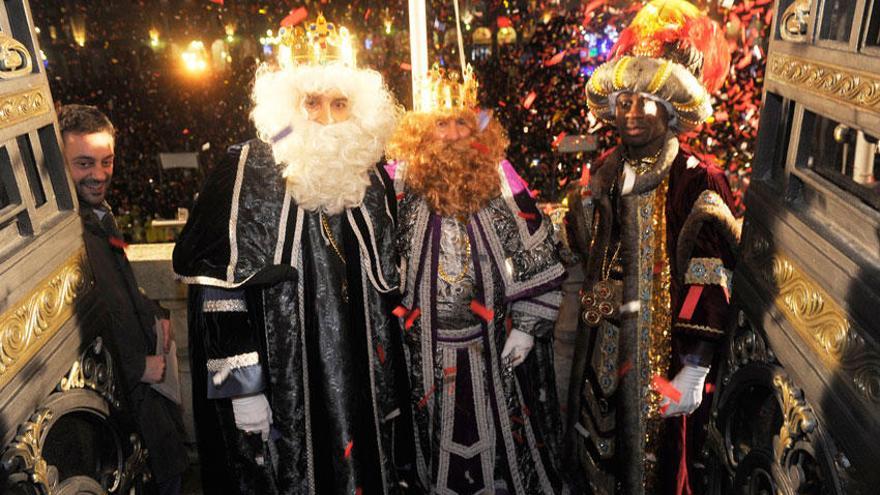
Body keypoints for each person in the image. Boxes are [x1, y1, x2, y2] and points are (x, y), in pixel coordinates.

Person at [173, 15, 407, 494]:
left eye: (339, 104)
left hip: (362, 380)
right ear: (288, 106)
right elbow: (216, 289)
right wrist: (243, 388)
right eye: (311, 102)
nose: (324, 116)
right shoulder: (245, 167)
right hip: (282, 389)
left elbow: (391, 287)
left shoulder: (370, 173)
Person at [564, 1, 740, 493]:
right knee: (597, 447)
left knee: (655, 463)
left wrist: (696, 364)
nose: (633, 113)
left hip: (661, 357)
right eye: (625, 102)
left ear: (669, 108)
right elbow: (581, 245)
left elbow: (711, 274)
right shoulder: (604, 173)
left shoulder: (696, 178)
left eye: (646, 101)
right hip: (602, 344)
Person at [384, 65, 568, 495]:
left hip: (493, 343)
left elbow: (537, 251)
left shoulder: (502, 177)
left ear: (476, 128)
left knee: (502, 438)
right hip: (420, 347)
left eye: (460, 123)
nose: (450, 135)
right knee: (427, 438)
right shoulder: (398, 181)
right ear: (421, 132)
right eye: (440, 125)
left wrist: (526, 327)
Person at [59, 104, 188, 495]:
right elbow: (74, 335)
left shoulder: (99, 216)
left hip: (146, 418)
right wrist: (136, 366)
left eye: (107, 161)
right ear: (57, 162)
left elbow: (120, 291)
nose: (99, 175)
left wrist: (154, 312)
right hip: (121, 418)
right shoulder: (65, 237)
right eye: (84, 163)